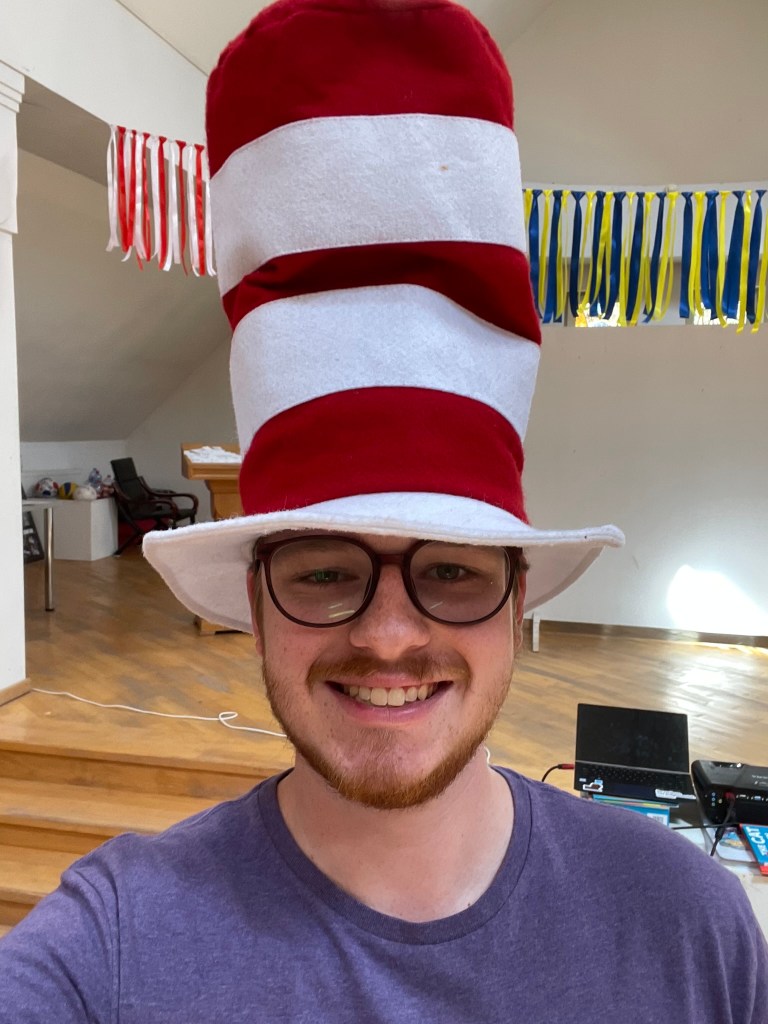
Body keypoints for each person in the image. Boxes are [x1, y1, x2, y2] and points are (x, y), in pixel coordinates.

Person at [2, 0, 766, 1020]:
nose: (390, 635)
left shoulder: (694, 927)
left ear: (518, 591)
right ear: (256, 599)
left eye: (450, 567)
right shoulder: (113, 946)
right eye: (325, 569)